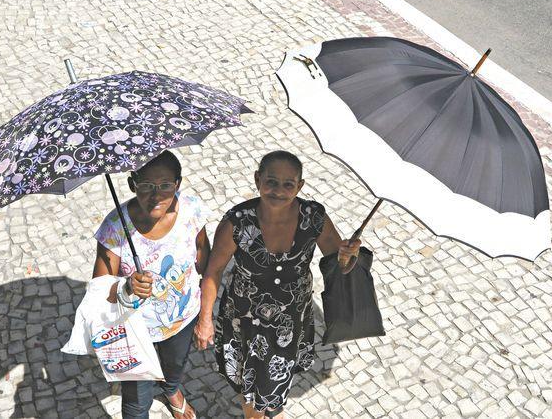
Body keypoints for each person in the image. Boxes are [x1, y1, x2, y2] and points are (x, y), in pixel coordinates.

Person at [193, 150, 360, 418]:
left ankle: (272, 405)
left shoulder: (314, 217)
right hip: (246, 320)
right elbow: (213, 271)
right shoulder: (237, 221)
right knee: (250, 380)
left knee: (277, 372)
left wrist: (347, 256)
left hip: (292, 319)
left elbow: (336, 263)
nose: (278, 191)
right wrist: (205, 319)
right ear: (258, 179)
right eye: (271, 181)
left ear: (300, 186)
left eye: (288, 184)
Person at [93, 150, 209, 419]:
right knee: (135, 402)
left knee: (174, 365)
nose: (155, 196)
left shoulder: (192, 210)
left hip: (182, 317)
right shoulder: (115, 227)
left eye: (165, 186)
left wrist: (206, 312)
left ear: (178, 184)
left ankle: (171, 389)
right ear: (132, 184)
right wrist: (126, 286)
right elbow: (99, 289)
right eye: (145, 186)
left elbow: (203, 255)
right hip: (134, 331)